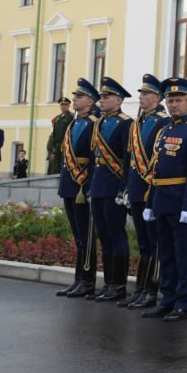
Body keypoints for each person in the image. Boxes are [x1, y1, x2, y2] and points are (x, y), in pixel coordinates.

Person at [141, 77, 187, 323]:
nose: (174, 104)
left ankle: (184, 302)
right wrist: (150, 204)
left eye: (179, 100)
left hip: (181, 203)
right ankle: (167, 299)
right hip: (161, 200)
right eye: (170, 100)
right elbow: (155, 170)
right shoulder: (163, 130)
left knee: (184, 254)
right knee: (166, 254)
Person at [87, 77, 134, 303]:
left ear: (118, 99)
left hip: (114, 187)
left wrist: (123, 189)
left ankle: (119, 284)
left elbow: (128, 160)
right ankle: (108, 283)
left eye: (106, 97)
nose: (101, 100)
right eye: (101, 97)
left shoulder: (126, 123)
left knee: (117, 236)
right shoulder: (100, 123)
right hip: (98, 187)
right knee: (103, 237)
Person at [123, 74, 168, 309]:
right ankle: (140, 289)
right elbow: (129, 157)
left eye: (146, 93)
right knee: (142, 242)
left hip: (151, 188)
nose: (141, 97)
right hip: (137, 187)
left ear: (157, 97)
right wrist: (127, 189)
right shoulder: (138, 121)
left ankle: (152, 289)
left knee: (154, 241)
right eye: (140, 93)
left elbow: (159, 159)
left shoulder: (161, 121)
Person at [55, 80, 101, 298]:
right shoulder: (75, 123)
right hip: (69, 183)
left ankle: (87, 280)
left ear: (90, 101)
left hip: (82, 185)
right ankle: (78, 280)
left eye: (78, 97)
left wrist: (90, 185)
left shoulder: (94, 123)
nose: (74, 100)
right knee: (78, 237)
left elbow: (94, 158)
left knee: (86, 235)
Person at [47, 97, 74, 174]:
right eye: (61, 104)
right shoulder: (57, 118)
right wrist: (52, 149)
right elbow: (54, 134)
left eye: (65, 104)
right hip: (56, 147)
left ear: (69, 106)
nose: (63, 106)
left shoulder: (71, 117)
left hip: (66, 146)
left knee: (64, 167)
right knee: (54, 168)